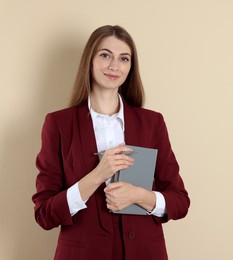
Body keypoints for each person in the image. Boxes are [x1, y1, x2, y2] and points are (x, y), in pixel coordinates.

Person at [32, 25, 190, 260]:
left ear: (130, 67)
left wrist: (138, 195)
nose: (114, 65)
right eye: (105, 55)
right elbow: (44, 214)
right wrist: (97, 175)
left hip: (145, 253)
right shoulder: (59, 124)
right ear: (90, 60)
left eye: (123, 58)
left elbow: (180, 201)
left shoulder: (152, 123)